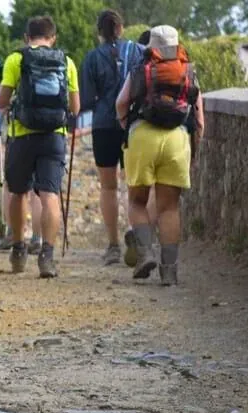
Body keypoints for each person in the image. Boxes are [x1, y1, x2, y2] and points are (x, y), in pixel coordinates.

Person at [114, 25, 204, 286]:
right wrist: (193, 149)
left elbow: (121, 103)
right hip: (176, 138)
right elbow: (199, 118)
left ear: (151, 46)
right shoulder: (188, 71)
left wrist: (126, 125)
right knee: (169, 208)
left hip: (142, 135)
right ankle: (170, 271)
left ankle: (145, 253)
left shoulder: (142, 69)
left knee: (138, 201)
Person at [0, 15, 78, 278]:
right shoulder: (66, 62)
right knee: (49, 194)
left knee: (18, 192)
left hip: (22, 136)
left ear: (26, 37)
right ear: (53, 38)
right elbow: (75, 107)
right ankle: (47, 255)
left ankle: (19, 250)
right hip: (54, 136)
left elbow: (2, 102)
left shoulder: (15, 59)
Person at [80, 10, 142, 266]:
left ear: (99, 32)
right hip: (132, 125)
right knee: (134, 184)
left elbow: (85, 100)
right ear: (122, 27)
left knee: (108, 186)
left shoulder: (92, 58)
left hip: (103, 124)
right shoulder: (137, 51)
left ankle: (113, 245)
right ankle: (137, 234)